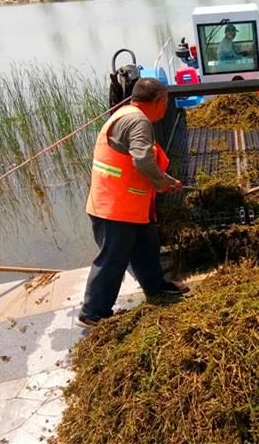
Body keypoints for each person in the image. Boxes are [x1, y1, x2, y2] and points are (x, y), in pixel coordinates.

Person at [79, 77, 188, 327]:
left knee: (146, 248)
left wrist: (167, 179)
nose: (165, 107)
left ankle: (156, 287)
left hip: (130, 206)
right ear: (159, 101)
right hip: (114, 208)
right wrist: (162, 184)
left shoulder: (126, 113)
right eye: (166, 102)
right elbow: (143, 162)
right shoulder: (138, 121)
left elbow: (142, 161)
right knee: (112, 259)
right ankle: (93, 312)